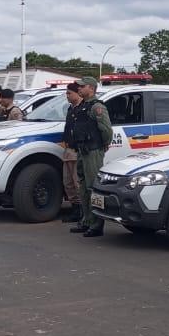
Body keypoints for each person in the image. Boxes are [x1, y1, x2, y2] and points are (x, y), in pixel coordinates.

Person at [71, 76, 112, 238]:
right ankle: (87, 220)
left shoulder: (97, 107)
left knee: (93, 187)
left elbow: (106, 130)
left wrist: (103, 145)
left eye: (82, 87)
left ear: (91, 88)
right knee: (83, 187)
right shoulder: (83, 106)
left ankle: (96, 225)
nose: (79, 89)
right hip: (83, 150)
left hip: (93, 150)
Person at [59, 82, 84, 223]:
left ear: (77, 93)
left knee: (77, 182)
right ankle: (75, 209)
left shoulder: (84, 108)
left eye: (69, 93)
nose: (67, 96)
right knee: (68, 182)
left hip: (77, 150)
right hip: (68, 149)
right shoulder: (71, 109)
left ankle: (82, 212)